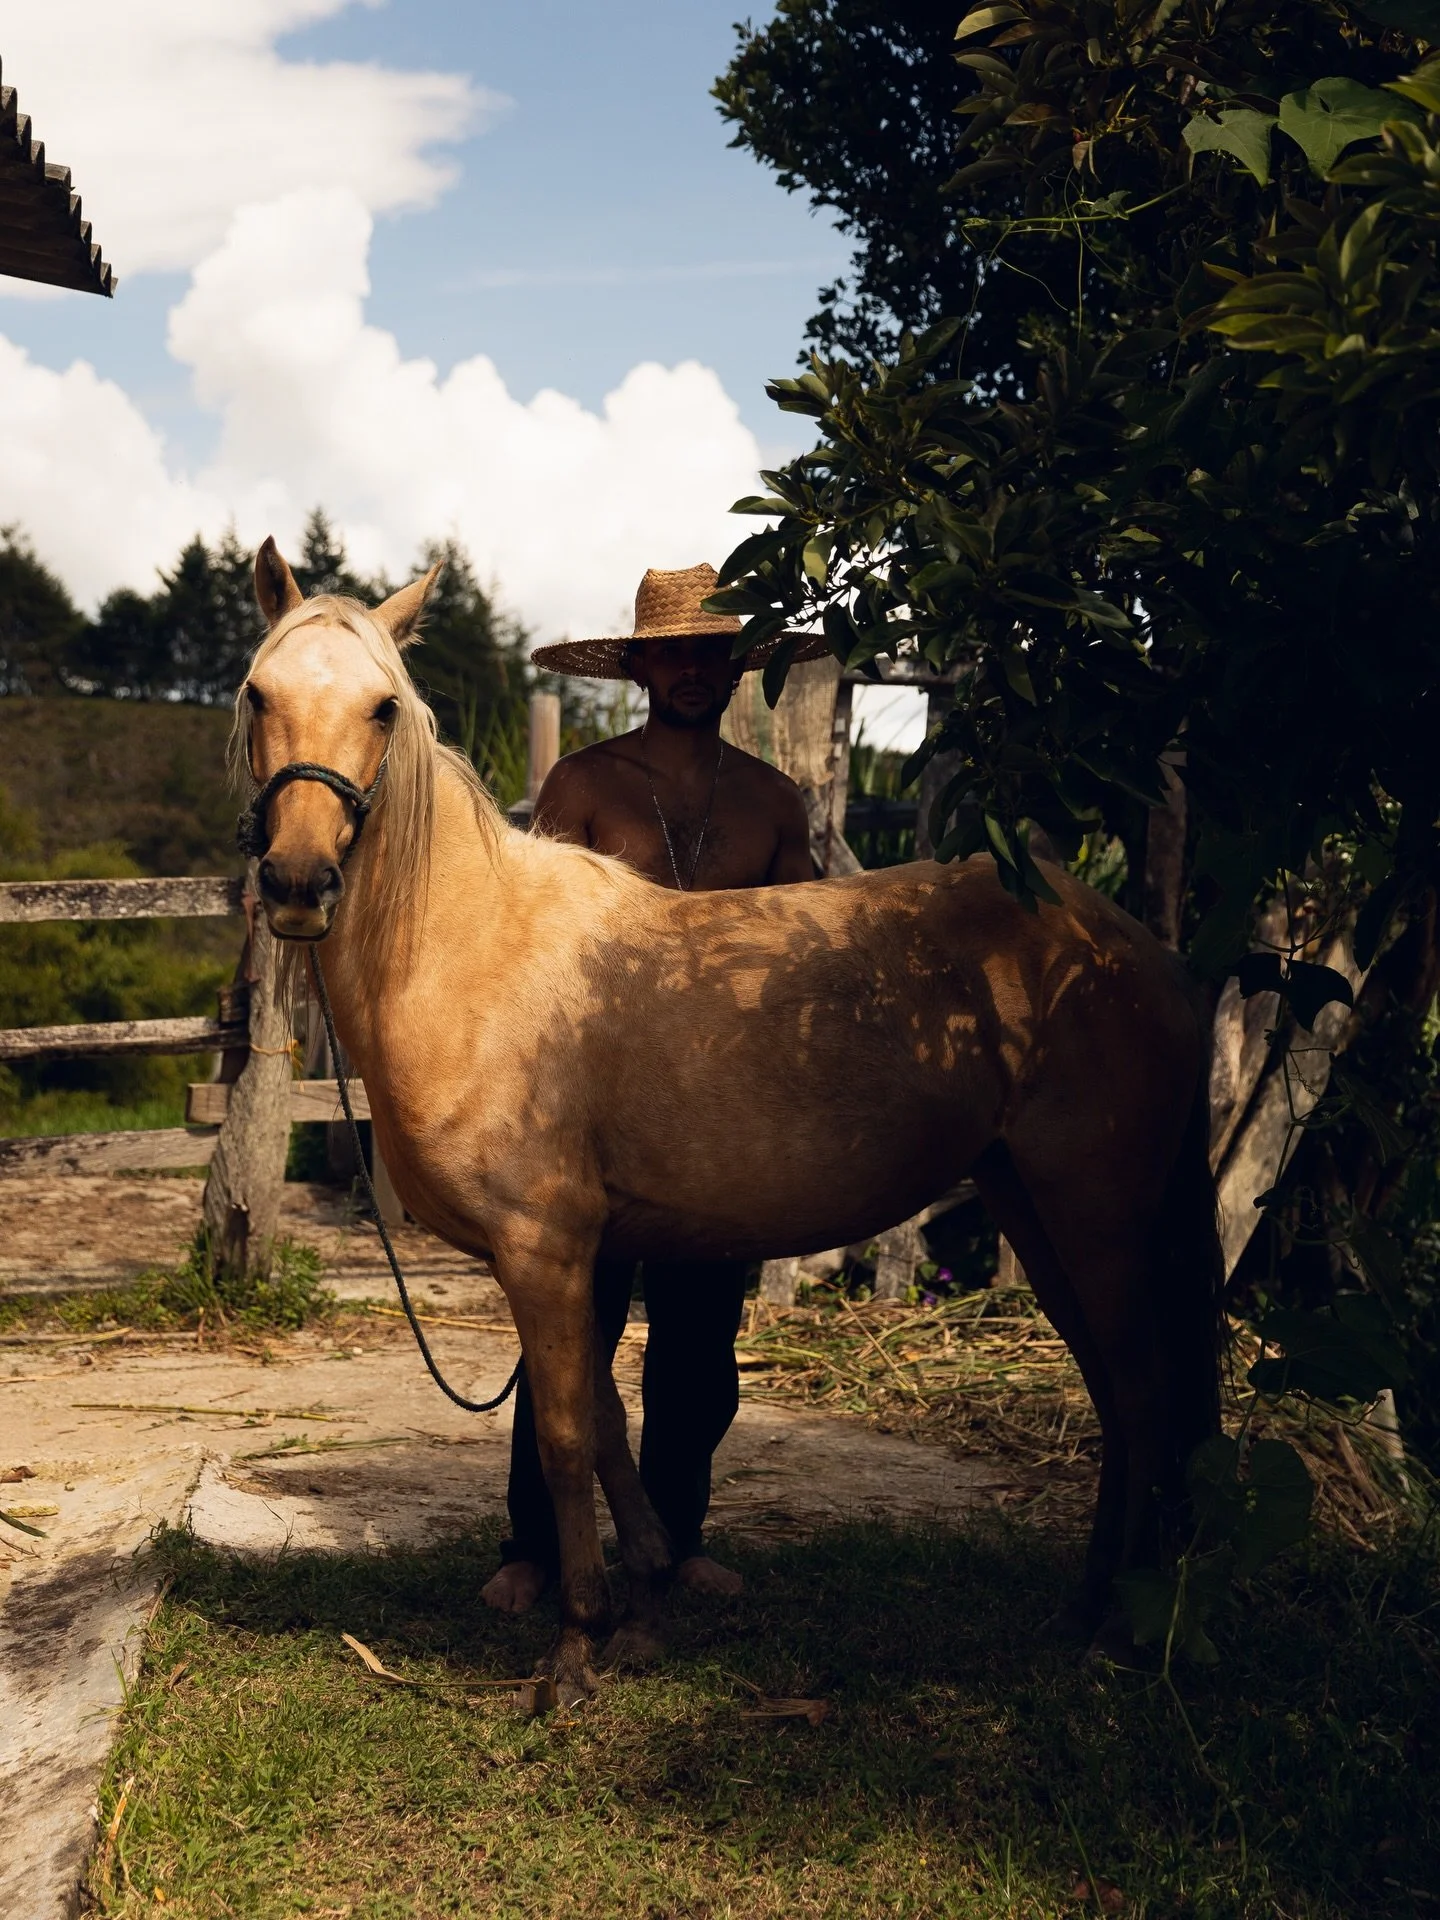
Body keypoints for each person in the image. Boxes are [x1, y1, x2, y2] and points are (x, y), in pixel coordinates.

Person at [480, 562, 827, 1612]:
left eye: (712, 652)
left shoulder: (772, 803)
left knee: (699, 1342)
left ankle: (678, 1535)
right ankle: (535, 1547)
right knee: (566, 1331)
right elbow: (531, 947)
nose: (694, 668)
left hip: (719, 1120)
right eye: (674, 650)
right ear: (637, 665)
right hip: (587, 1109)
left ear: (735, 670)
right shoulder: (583, 787)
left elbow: (812, 955)